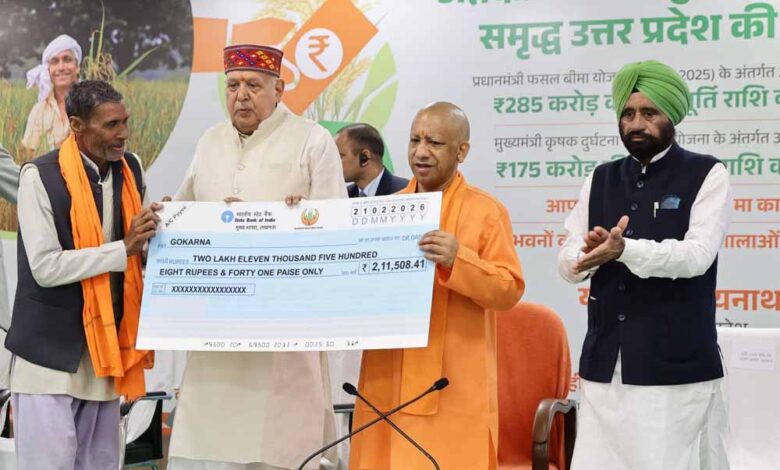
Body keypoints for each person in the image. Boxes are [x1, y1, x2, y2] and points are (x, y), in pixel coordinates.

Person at [168, 44, 347, 470]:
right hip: (216, 328)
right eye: (232, 85)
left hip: (284, 328)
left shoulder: (312, 140)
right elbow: (182, 212)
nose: (241, 95)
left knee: (282, 449)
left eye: (253, 85)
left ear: (279, 90)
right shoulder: (210, 142)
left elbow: (337, 228)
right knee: (207, 449)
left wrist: (287, 220)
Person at [557, 60, 731, 470]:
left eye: (649, 113)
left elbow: (696, 256)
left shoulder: (707, 173)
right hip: (603, 367)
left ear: (672, 115)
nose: (636, 124)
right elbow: (567, 261)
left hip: (674, 370)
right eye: (628, 113)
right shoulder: (600, 178)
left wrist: (624, 251)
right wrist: (586, 258)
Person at [349, 102, 525, 470]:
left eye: (435, 142)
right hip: (386, 377)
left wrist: (459, 259)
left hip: (453, 384)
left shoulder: (486, 211)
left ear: (462, 151)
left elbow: (509, 289)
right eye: (415, 140)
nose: (421, 152)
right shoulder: (386, 211)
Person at [5, 80, 161, 469]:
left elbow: (139, 251)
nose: (123, 133)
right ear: (76, 126)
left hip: (106, 353)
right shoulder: (39, 176)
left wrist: (162, 232)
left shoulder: (131, 169)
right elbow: (45, 267)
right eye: (111, 125)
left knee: (102, 464)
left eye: (125, 122)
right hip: (48, 359)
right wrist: (122, 249)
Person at [21, 34, 82, 157]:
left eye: (67, 59)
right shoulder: (39, 110)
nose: (61, 67)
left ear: (77, 67)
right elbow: (28, 153)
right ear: (48, 70)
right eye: (54, 62)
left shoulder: (92, 104)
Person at [335, 123, 408, 197]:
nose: (334, 163)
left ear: (365, 157)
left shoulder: (407, 192)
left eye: (339, 156)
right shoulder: (344, 196)